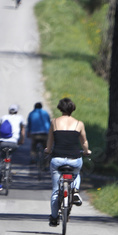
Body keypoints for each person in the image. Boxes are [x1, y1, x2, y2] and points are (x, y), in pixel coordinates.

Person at [45, 97, 90, 226]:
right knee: (76, 173)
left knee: (55, 191)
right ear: (72, 109)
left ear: (60, 108)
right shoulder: (79, 124)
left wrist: (48, 150)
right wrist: (86, 151)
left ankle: (54, 218)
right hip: (74, 159)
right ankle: (75, 190)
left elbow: (50, 141)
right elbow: (84, 142)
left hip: (57, 159)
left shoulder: (54, 122)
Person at [0, 104, 26, 191]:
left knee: (1, 159)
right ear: (17, 111)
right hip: (13, 143)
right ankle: (8, 168)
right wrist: (21, 140)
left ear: (9, 111)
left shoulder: (3, 117)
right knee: (9, 155)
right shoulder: (20, 118)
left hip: (2, 143)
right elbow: (22, 131)